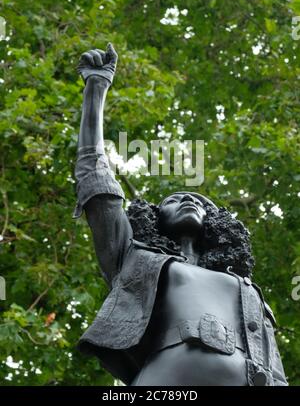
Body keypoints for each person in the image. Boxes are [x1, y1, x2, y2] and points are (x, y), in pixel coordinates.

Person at [73, 44, 288, 386]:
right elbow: (96, 182)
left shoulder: (245, 287)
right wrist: (96, 90)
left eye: (200, 201)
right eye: (175, 199)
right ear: (155, 218)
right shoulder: (133, 256)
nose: (189, 200)